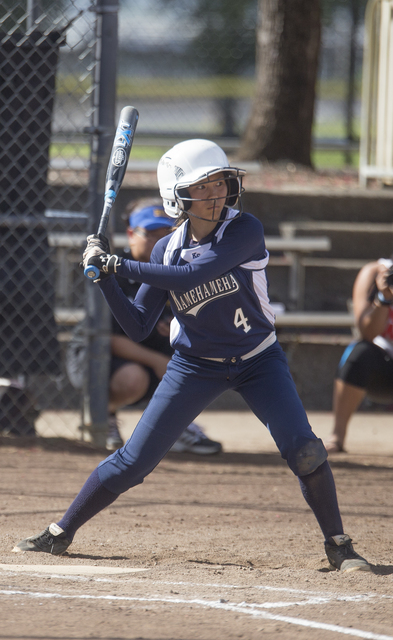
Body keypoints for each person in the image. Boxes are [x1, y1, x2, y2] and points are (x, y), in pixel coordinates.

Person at [13, 139, 371, 572]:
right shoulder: (166, 249)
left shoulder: (244, 229)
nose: (217, 191)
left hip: (258, 360)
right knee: (132, 462)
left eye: (220, 181)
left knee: (304, 450)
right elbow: (138, 325)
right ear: (177, 197)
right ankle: (61, 532)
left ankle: (339, 545)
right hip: (194, 366)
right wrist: (104, 278)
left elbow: (195, 274)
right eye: (203, 186)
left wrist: (116, 265)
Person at [106, 198, 222, 455]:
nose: (159, 241)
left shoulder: (178, 270)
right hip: (106, 362)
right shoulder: (116, 273)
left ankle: (176, 428)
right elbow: (108, 339)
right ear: (130, 235)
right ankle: (104, 417)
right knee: (133, 377)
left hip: (159, 358)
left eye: (165, 234)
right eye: (150, 234)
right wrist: (158, 361)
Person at [324, 257, 393, 454]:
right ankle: (337, 435)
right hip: (383, 368)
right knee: (358, 352)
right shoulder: (375, 274)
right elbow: (367, 332)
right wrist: (384, 298)